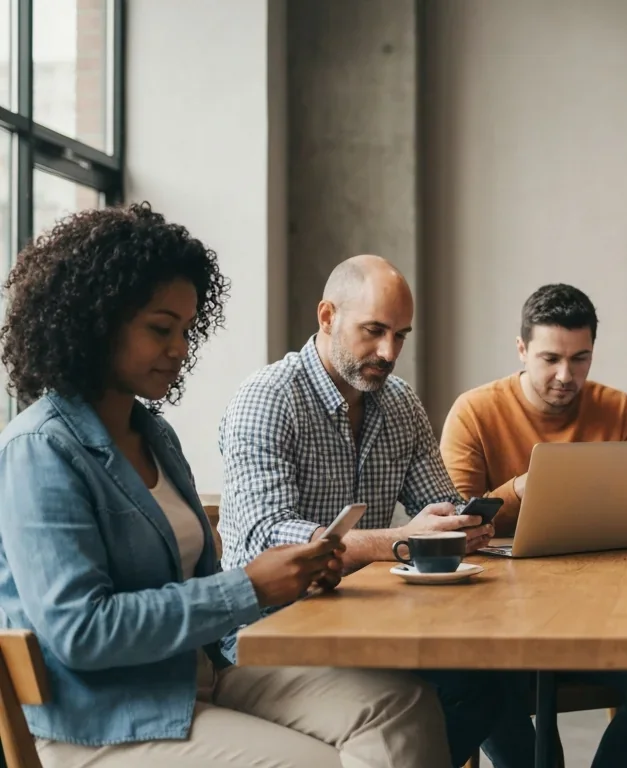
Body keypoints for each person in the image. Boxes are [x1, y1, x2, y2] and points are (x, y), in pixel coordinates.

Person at [0, 204, 451, 766]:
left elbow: (196, 580)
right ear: (97, 321)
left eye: (187, 330)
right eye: (161, 329)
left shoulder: (154, 435)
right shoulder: (38, 449)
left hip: (200, 673)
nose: (181, 349)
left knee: (406, 708)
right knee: (321, 762)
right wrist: (251, 587)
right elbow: (81, 632)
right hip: (105, 717)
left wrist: (296, 575)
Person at [217, 254, 532, 767]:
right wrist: (403, 540)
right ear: (327, 317)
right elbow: (265, 537)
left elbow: (440, 501)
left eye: (401, 335)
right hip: (267, 634)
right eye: (374, 331)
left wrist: (463, 521)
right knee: (463, 689)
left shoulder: (399, 402)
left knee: (494, 681)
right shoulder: (268, 398)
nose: (389, 352)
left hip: (363, 620)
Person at [440, 282, 627, 768]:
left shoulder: (618, 409)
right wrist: (519, 489)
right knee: (482, 685)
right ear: (521, 350)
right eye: (550, 358)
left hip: (601, 613)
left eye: (580, 359)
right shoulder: (474, 412)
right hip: (500, 622)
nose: (566, 374)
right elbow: (454, 522)